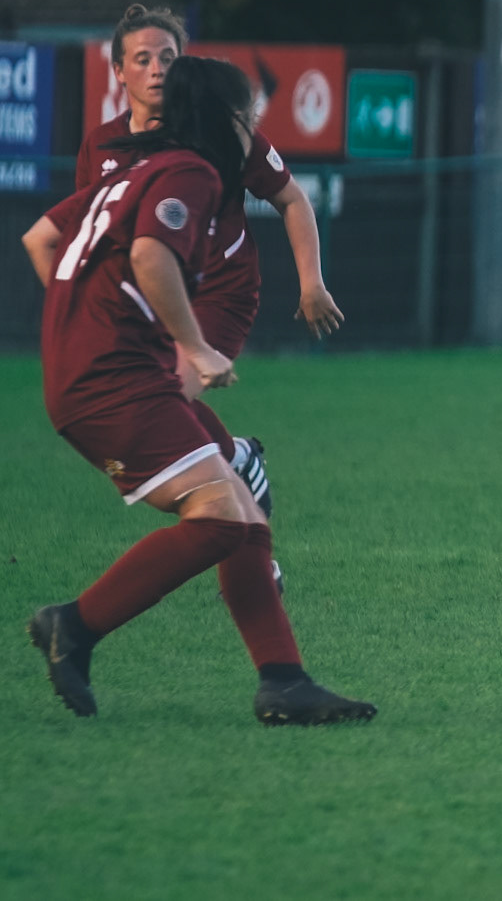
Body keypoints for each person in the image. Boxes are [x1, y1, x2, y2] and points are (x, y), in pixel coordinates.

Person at [21, 55, 374, 724]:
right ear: (224, 118)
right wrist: (195, 345)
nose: (253, 129)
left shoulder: (134, 168)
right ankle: (74, 624)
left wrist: (86, 321)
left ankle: (283, 680)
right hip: (112, 383)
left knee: (242, 503)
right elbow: (151, 254)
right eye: (248, 116)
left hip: (107, 372)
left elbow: (40, 236)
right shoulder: (193, 171)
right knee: (219, 517)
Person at [77, 4, 344, 544]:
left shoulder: (222, 131)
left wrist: (311, 282)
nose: (157, 68)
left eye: (168, 57)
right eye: (142, 58)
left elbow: (292, 199)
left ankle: (243, 530)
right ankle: (236, 465)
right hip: (147, 299)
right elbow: (87, 235)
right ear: (119, 71)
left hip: (219, 292)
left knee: (167, 399)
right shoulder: (102, 147)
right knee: (155, 414)